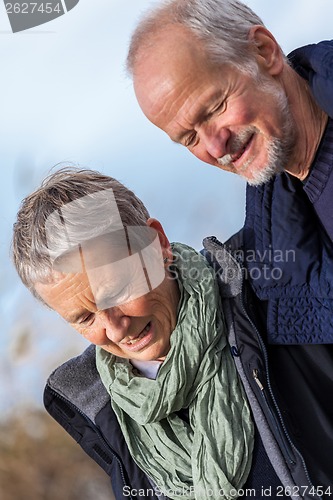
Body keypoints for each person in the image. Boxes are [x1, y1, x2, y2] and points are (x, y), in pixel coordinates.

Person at [126, 0, 333, 494]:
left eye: (214, 108)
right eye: (187, 138)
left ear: (264, 51)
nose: (215, 147)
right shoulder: (267, 258)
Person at [14, 167, 304, 500]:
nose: (114, 327)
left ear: (158, 245)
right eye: (84, 318)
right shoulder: (102, 413)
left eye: (117, 291)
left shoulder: (275, 300)